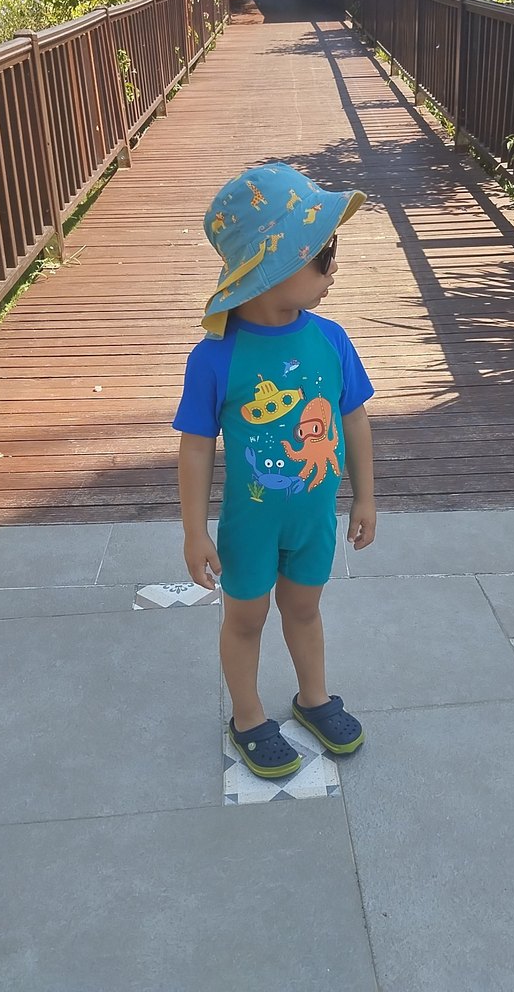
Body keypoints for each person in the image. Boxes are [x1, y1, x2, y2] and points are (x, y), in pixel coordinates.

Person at [173, 161, 376, 779]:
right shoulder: (215, 358)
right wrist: (193, 531)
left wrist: (365, 497)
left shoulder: (331, 339)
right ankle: (248, 716)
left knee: (305, 608)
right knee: (246, 617)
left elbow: (355, 419)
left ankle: (313, 698)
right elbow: (196, 447)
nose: (333, 268)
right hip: (251, 525)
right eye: (324, 254)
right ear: (277, 263)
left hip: (314, 517)